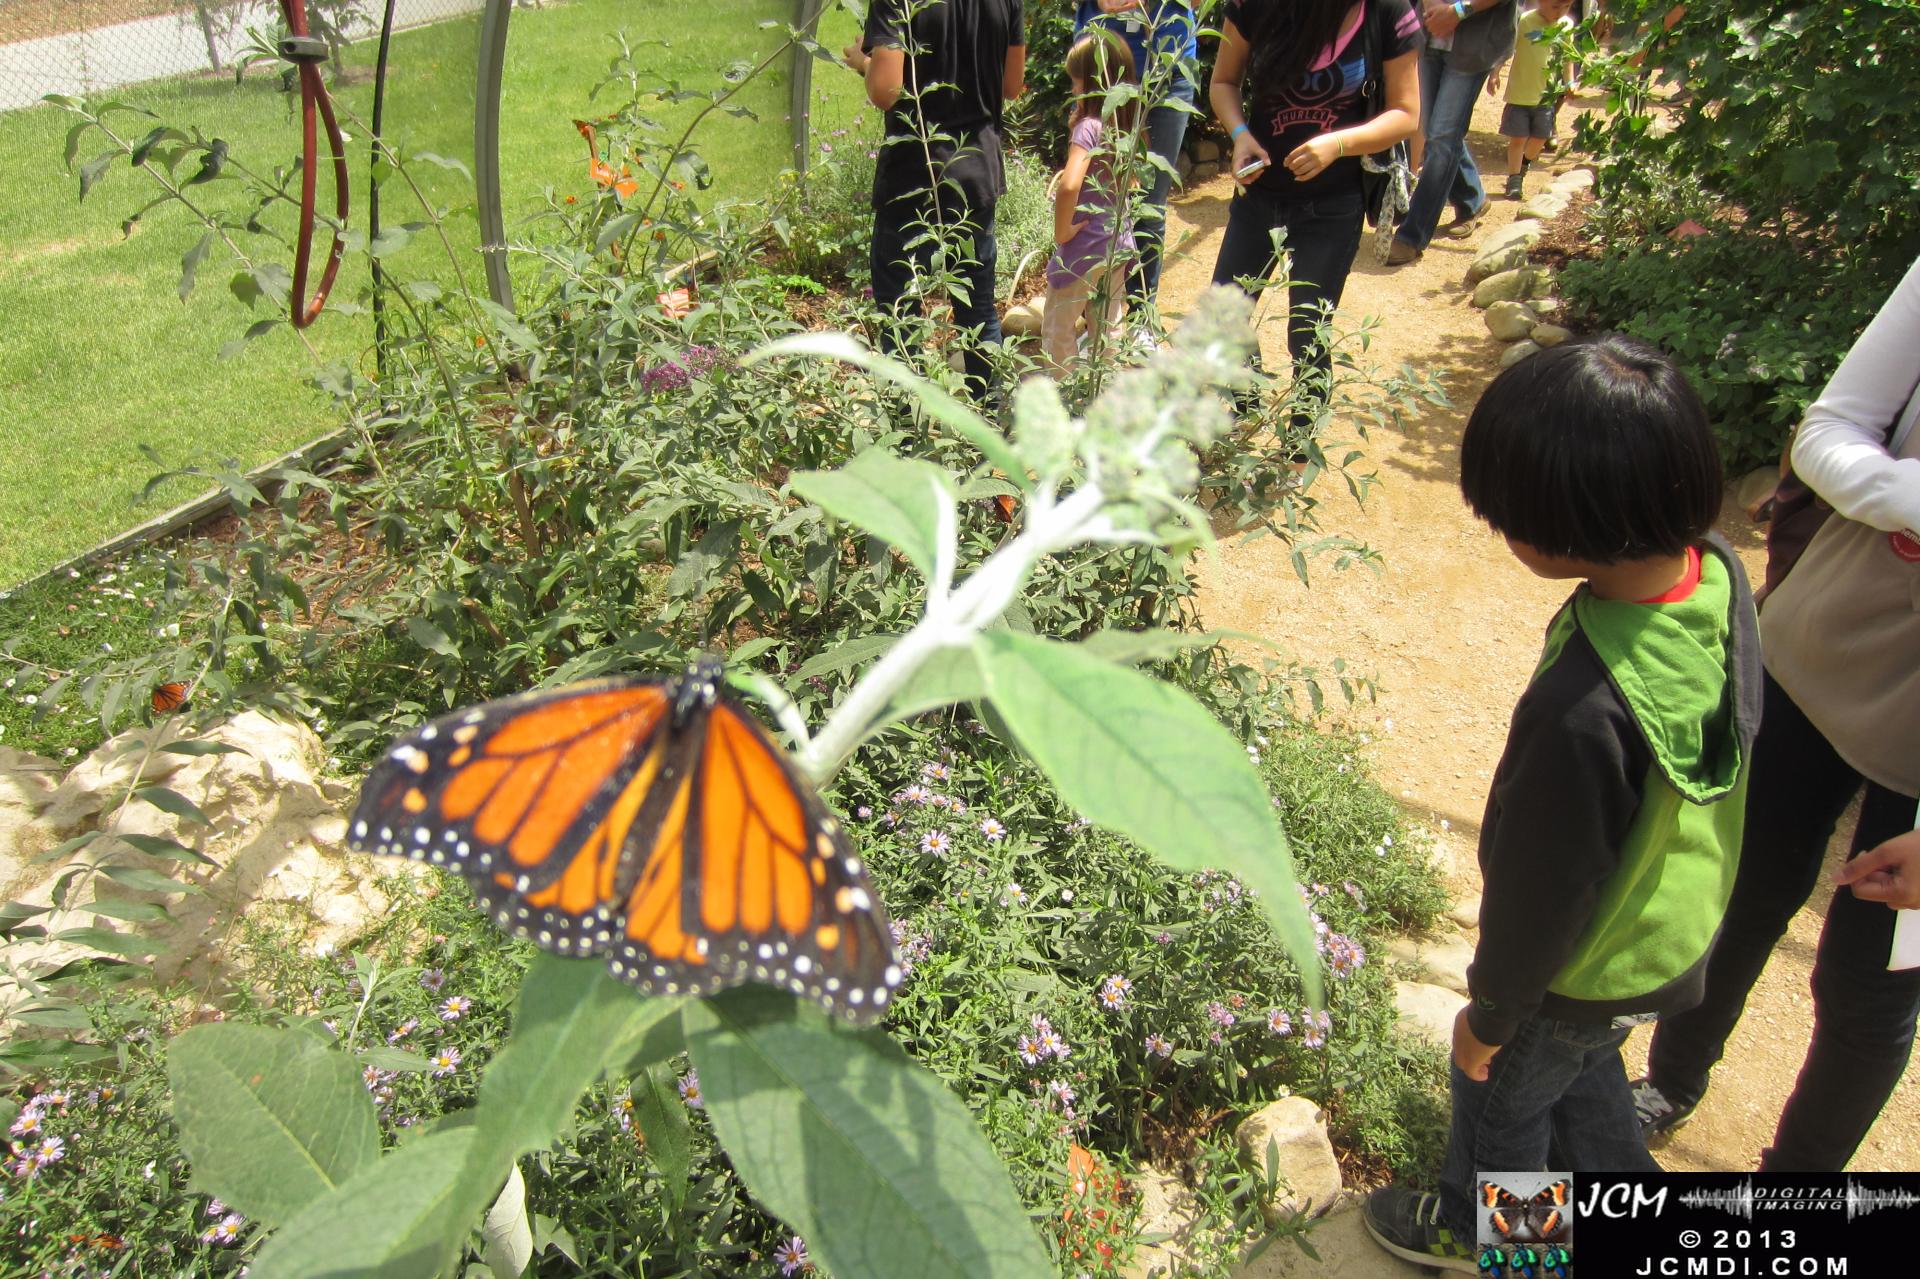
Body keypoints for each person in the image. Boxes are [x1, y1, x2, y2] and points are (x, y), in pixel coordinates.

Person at [1364, 335, 1762, 1271]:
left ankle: (1494, 1241)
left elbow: (1544, 895)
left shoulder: (1583, 706)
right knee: (1585, 1071)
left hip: (1575, 965)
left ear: (1564, 529)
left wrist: (1492, 1015)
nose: (1499, 529)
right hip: (1666, 928)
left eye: (1508, 514)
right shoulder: (1717, 575)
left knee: (1504, 1099)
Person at [1631, 254, 1920, 1171]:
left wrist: (1493, 1023)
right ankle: (1672, 1094)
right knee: (1740, 888)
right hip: (1822, 647)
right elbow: (1830, 428)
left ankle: (1791, 1212)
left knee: (1869, 987)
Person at [1209, 0, 1420, 431]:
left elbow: (1406, 113)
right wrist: (1240, 134)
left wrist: (1338, 144)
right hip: (1259, 194)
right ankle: (1244, 412)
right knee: (1223, 317)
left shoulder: (1387, 11)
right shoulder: (1252, 7)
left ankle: (1299, 453)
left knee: (1309, 337)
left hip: (1333, 205)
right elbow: (1224, 82)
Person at [845, 0, 1027, 399]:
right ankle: (988, 428)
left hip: (914, 175)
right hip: (977, 172)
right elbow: (1012, 85)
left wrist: (864, 61)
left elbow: (885, 89)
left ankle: (908, 437)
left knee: (901, 317)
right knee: (977, 311)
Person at [1071, 0, 1197, 315]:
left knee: (1148, 204)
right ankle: (1096, 321)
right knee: (1095, 198)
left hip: (1165, 71)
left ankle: (1141, 318)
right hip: (1100, 66)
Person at [1386, 0, 1518, 266]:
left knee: (1442, 137)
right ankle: (1472, 199)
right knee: (1436, 131)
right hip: (1428, 34)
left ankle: (1412, 235)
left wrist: (1457, 12)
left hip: (1474, 44)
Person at [1042, 30, 1139, 374]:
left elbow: (1070, 185)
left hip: (1083, 247)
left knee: (1058, 326)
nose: (1073, 89)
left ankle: (1064, 397)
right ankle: (1106, 393)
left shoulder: (1088, 127)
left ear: (1095, 83)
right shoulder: (1125, 127)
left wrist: (1062, 231)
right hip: (1116, 242)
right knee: (1108, 322)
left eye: (1077, 81)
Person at [1486, 0, 1574, 200]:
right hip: (1520, 94)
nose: (1560, 12)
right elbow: (1509, 48)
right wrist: (1495, 72)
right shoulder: (1525, 21)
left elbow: (1568, 57)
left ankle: (1524, 163)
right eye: (1555, 6)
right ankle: (1514, 180)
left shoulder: (1566, 26)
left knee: (1540, 138)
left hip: (1546, 96)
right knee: (1518, 139)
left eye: (1566, 7)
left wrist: (1570, 83)